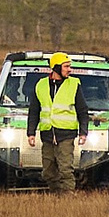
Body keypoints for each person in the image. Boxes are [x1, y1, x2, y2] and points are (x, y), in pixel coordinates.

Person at [26, 51, 90, 191]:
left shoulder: (74, 84)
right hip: (47, 135)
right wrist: (31, 133)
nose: (70, 69)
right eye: (66, 66)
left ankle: (67, 198)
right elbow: (34, 111)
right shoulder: (41, 85)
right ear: (56, 67)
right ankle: (57, 196)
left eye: (69, 66)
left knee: (66, 170)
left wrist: (83, 133)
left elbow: (83, 111)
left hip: (66, 135)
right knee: (48, 172)